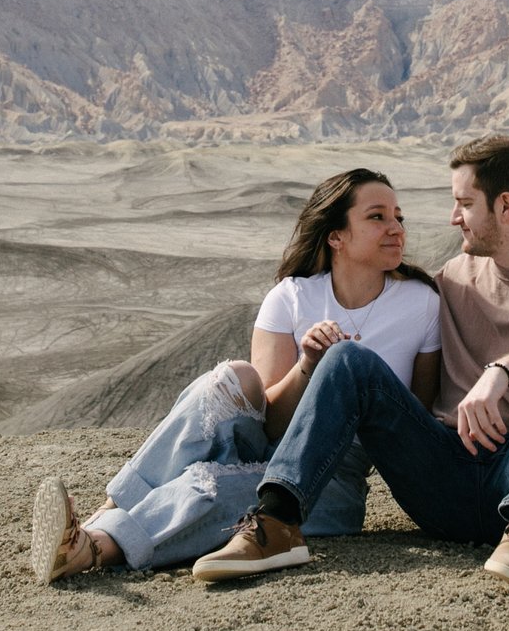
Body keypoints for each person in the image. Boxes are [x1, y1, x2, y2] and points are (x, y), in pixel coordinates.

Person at [193, 134, 509, 597]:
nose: (453, 217)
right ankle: (277, 521)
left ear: (505, 206)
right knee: (348, 358)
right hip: (445, 477)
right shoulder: (453, 279)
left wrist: (501, 371)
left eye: (464, 203)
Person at [30, 168, 441, 583]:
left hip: (331, 476)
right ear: (336, 236)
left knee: (209, 483)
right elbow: (270, 422)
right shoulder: (292, 297)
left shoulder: (421, 304)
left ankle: (92, 549)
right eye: (378, 217)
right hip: (270, 443)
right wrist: (308, 367)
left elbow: (410, 421)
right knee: (232, 379)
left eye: (398, 217)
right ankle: (117, 506)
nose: (396, 229)